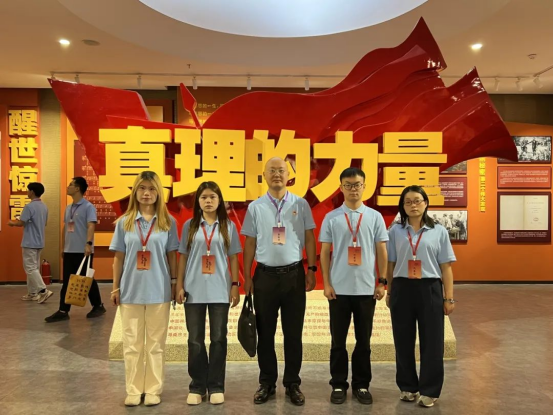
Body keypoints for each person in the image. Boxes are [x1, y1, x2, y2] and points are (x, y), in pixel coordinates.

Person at [242, 157, 317, 406]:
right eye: (272, 170)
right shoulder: (255, 207)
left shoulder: (300, 204)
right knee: (265, 333)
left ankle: (292, 383)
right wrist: (247, 276)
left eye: (281, 170)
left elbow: (309, 237)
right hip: (264, 277)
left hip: (294, 276)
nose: (277, 174)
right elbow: (250, 242)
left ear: (288, 175)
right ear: (264, 175)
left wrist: (312, 269)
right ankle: (267, 382)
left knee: (293, 333)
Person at [109, 171, 179, 407]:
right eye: (142, 188)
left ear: (158, 192)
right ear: (135, 192)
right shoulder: (124, 222)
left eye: (151, 189)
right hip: (130, 291)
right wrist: (115, 288)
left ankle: (153, 389)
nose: (146, 193)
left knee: (156, 345)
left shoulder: (168, 222)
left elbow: (172, 256)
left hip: (159, 291)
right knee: (132, 344)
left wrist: (174, 283)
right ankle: (133, 389)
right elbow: (118, 258)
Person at [319, 168, 388, 405]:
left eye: (357, 184)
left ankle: (361, 385)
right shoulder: (332, 217)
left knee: (364, 342)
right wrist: (327, 283)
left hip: (366, 290)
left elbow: (381, 250)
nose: (353, 189)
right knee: (338, 342)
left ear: (364, 186)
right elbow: (325, 252)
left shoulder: (374, 217)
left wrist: (382, 281)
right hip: (338, 291)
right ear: (341, 188)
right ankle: (338, 384)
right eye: (348, 185)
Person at [386, 185, 456, 408]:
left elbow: (446, 267)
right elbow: (390, 264)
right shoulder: (395, 231)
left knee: (433, 342)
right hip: (402, 288)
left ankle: (430, 390)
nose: (413, 205)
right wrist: (389, 290)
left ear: (425, 203)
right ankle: (408, 387)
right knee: (403, 340)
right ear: (402, 206)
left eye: (417, 200)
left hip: (430, 288)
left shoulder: (439, 231)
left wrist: (449, 297)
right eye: (408, 202)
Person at [176, 181, 242, 406]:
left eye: (213, 197)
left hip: (219, 290)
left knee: (218, 339)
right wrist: (179, 284)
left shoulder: (228, 226)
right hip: (193, 290)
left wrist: (235, 284)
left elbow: (233, 257)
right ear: (198, 201)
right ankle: (197, 386)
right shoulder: (190, 225)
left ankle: (216, 386)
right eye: (204, 197)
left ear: (220, 200)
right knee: (195, 340)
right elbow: (183, 256)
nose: (208, 201)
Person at [45, 177, 105, 322]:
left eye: (71, 185)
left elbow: (91, 225)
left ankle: (98, 306)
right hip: (69, 250)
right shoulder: (69, 208)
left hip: (83, 250)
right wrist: (63, 247)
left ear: (78, 188)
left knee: (86, 279)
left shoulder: (88, 207)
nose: (68, 187)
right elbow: (66, 227)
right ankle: (63, 310)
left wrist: (88, 243)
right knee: (67, 280)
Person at [8, 182, 52, 303]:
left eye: (28, 190)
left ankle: (43, 290)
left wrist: (12, 223)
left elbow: (21, 223)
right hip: (40, 241)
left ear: (32, 192)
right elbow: (43, 223)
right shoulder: (44, 207)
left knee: (30, 268)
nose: (27, 192)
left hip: (29, 242)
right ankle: (32, 293)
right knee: (34, 268)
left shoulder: (29, 207)